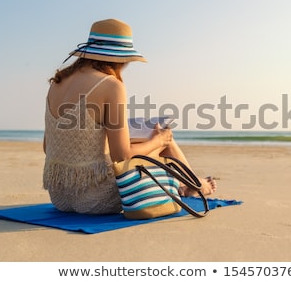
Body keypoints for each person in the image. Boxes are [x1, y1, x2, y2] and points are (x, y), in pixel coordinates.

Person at [43, 18, 216, 214]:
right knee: (164, 141)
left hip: (60, 197)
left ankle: (186, 185)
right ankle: (195, 184)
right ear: (120, 58)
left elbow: (47, 147)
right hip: (96, 200)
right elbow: (122, 156)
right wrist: (159, 141)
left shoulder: (57, 83)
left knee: (144, 139)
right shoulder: (110, 85)